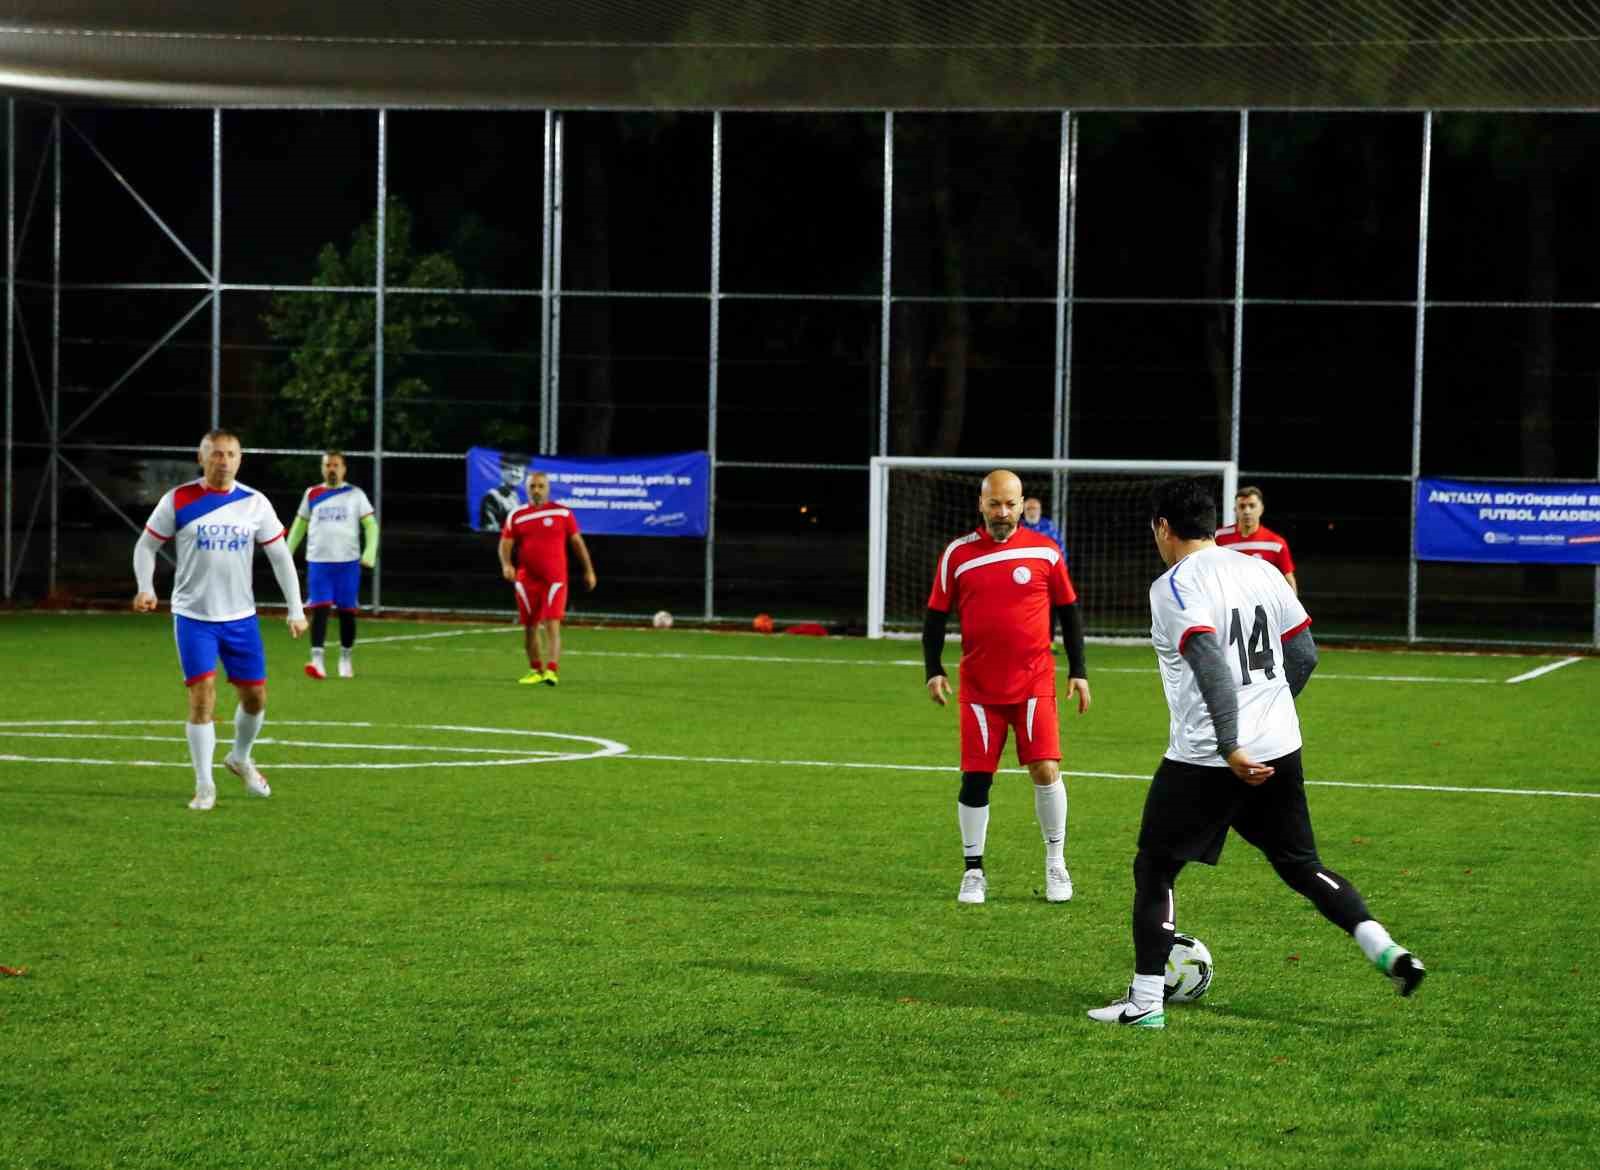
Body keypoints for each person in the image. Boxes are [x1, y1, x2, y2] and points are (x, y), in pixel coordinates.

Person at [1088, 478, 1423, 1028]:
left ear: (1163, 527)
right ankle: (1385, 949)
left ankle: (1145, 1002)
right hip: (1279, 748)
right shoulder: (1260, 569)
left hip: (1209, 757)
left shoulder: (1174, 586)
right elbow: (1305, 654)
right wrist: (1269, 712)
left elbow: (1209, 661)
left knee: (1156, 867)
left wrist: (1231, 742)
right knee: (1302, 866)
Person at [923, 469, 1091, 906]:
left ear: (1021, 505)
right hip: (980, 689)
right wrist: (933, 669)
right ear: (981, 504)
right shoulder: (958, 554)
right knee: (977, 779)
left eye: (1010, 504)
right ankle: (973, 871)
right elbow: (936, 616)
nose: (1002, 512)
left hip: (1034, 681)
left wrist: (1079, 670)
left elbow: (1069, 610)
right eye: (994, 503)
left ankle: (1056, 862)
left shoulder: (1045, 551)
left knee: (1046, 769)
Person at [132, 428, 308, 811]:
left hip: (241, 618)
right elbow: (146, 545)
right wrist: (146, 587)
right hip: (193, 616)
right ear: (201, 458)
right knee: (202, 697)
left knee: (255, 698)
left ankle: (240, 757)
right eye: (215, 454)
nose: (223, 461)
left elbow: (281, 558)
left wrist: (295, 608)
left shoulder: (255, 503)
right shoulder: (178, 499)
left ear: (240, 459)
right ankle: (205, 785)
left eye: (230, 454)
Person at [498, 469, 597, 686]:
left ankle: (552, 670)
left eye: (541, 486)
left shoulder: (562, 513)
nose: (536, 490)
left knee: (552, 624)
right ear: (526, 489)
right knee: (530, 626)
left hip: (555, 579)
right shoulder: (516, 515)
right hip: (526, 580)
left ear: (548, 489)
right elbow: (505, 543)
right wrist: (506, 564)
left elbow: (577, 543)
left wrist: (589, 570)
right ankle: (535, 670)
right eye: (532, 486)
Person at [286, 450, 378, 680]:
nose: (332, 469)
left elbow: (371, 526)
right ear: (322, 468)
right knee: (320, 609)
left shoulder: (355, 494)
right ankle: (317, 661)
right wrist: (285, 553)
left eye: (336, 465)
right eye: (328, 465)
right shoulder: (312, 494)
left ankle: (345, 658)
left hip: (348, 564)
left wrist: (369, 553)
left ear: (344, 469)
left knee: (347, 613)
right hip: (319, 563)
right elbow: (299, 525)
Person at [1215, 485, 1296, 594]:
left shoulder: (1276, 544)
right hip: (1229, 600)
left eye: (1252, 506)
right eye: (1242, 506)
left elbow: (1289, 581)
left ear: (1261, 509)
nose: (1247, 511)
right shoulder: (1219, 537)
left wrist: (1294, 605)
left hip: (1262, 602)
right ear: (1235, 510)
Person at [479, 454, 525, 533]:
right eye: (510, 469)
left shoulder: (514, 496)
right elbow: (489, 530)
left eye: (519, 471)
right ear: (502, 472)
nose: (515, 474)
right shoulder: (492, 496)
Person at [1020, 496, 1068, 563]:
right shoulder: (1018, 527)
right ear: (1023, 511)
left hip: (1045, 563)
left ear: (1040, 510)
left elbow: (1060, 547)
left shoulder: (1049, 526)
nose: (1031, 511)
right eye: (1028, 508)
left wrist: (1061, 563)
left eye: (1034, 508)